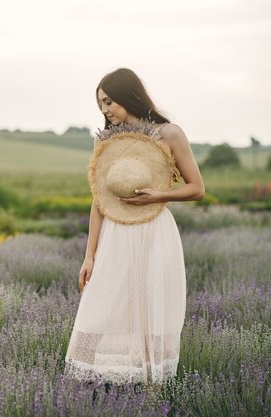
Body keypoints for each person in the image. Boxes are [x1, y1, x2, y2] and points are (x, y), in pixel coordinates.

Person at [63, 68, 205, 387]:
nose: (104, 110)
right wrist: (89, 256)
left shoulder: (170, 134)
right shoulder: (105, 141)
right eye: (100, 104)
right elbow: (99, 200)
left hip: (155, 231)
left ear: (129, 95)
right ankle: (84, 389)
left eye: (109, 101)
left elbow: (197, 188)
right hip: (115, 233)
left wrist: (161, 194)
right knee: (98, 306)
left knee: (149, 308)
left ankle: (151, 390)